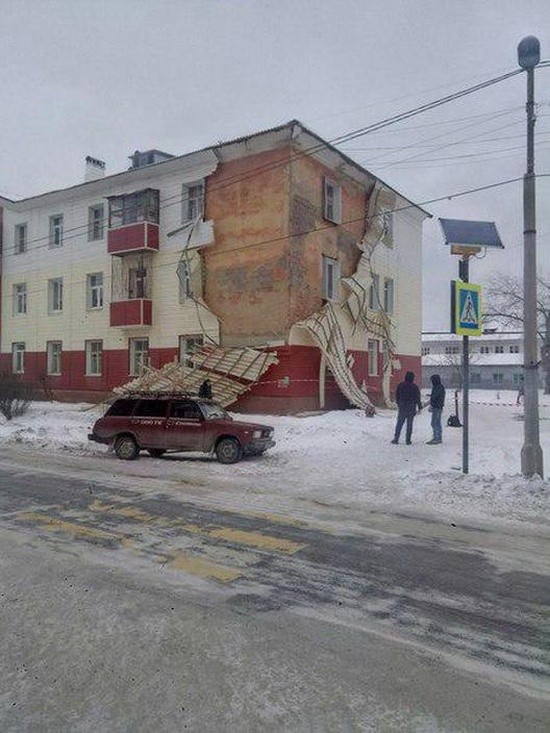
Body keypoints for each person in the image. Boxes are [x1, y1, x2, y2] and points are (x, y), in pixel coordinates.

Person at [391, 371, 422, 445]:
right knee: (409, 424)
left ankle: (396, 439)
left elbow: (397, 395)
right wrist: (419, 406)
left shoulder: (400, 385)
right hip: (411, 407)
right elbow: (417, 398)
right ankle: (408, 440)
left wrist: (399, 403)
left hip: (402, 407)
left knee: (399, 423)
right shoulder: (415, 387)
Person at [426, 373, 445, 445]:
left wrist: (431, 404)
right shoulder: (436, 387)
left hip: (438, 407)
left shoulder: (439, 387)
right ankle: (435, 437)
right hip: (436, 407)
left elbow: (435, 397)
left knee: (436, 423)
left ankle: (438, 438)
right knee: (434, 423)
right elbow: (433, 396)